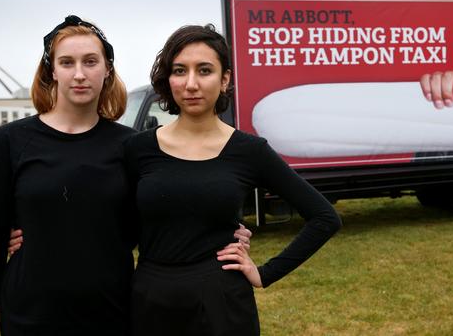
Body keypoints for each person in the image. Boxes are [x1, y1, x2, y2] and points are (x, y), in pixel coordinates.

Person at [0, 16, 251, 336]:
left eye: (90, 61)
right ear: (52, 70)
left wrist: (223, 231)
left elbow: (156, 218)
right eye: (67, 62)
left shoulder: (130, 146)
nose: (79, 73)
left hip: (113, 314)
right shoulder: (10, 142)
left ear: (107, 69)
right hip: (29, 316)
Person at [123, 24, 342, 335]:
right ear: (167, 79)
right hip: (150, 299)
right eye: (179, 70)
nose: (191, 83)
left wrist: (265, 273)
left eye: (205, 70)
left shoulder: (249, 151)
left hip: (221, 301)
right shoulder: (137, 148)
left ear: (224, 79)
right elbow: (117, 227)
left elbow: (324, 217)